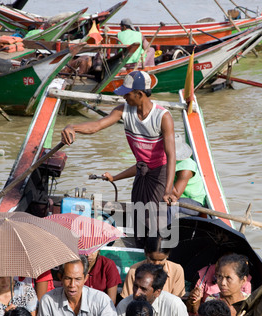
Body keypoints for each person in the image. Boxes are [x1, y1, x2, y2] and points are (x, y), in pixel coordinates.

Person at [61, 70, 177, 248]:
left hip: (159, 174)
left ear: (139, 94)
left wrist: (168, 190)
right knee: (139, 217)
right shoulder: (123, 111)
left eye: (127, 94)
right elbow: (96, 126)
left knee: (157, 224)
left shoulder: (163, 117)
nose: (124, 97)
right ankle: (140, 250)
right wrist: (72, 127)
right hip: (142, 171)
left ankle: (157, 258)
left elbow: (171, 155)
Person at [117, 263, 190, 316]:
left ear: (157, 292)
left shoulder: (175, 306)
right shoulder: (124, 306)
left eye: (143, 289)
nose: (136, 293)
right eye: (135, 286)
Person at [121, 234, 185, 298]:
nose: (156, 264)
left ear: (168, 255)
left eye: (161, 260)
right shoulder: (133, 271)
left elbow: (176, 300)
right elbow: (128, 299)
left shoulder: (176, 270)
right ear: (146, 253)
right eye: (152, 259)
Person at [186, 253, 252, 316]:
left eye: (228, 278)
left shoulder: (251, 303)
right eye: (219, 276)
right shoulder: (212, 300)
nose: (222, 283)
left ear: (243, 280)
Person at [168, 133, 207, 220]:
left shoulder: (186, 168)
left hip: (194, 202)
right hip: (177, 197)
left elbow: (175, 194)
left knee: (170, 207)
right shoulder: (166, 161)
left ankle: (164, 232)